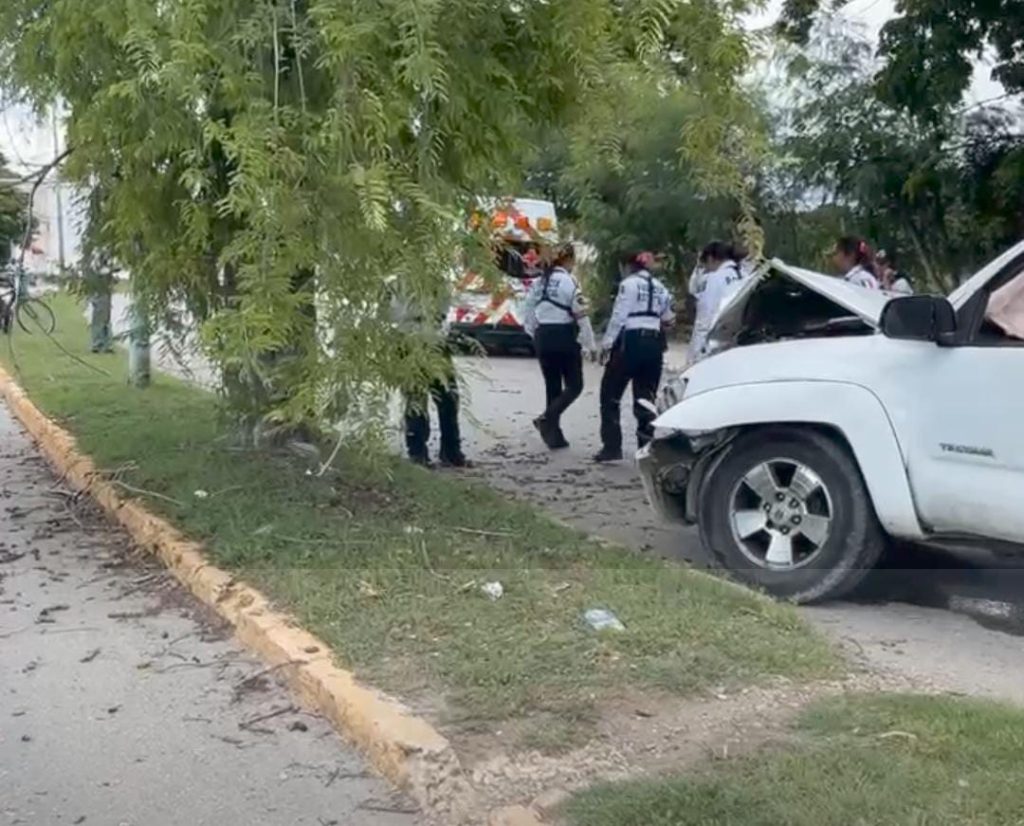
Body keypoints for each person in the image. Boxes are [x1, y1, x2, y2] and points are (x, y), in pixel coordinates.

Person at [593, 251, 675, 463]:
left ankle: (612, 447)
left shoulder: (628, 284)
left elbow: (619, 316)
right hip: (654, 344)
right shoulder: (661, 287)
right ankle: (645, 448)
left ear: (628, 267)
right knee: (646, 398)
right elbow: (669, 318)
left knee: (610, 394)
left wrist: (607, 344)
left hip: (630, 342)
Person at [523, 243, 597, 449]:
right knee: (575, 385)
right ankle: (547, 419)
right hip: (564, 336)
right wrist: (590, 345)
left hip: (543, 336)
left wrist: (535, 333)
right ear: (568, 260)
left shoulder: (539, 282)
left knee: (552, 386)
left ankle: (554, 437)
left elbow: (527, 311)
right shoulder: (570, 282)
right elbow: (582, 316)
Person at [390, 285, 469, 469]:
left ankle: (451, 452)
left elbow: (445, 305)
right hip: (408, 340)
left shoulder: (438, 280)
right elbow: (391, 313)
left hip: (436, 340)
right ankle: (418, 453)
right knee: (415, 399)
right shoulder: (397, 282)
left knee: (448, 397)